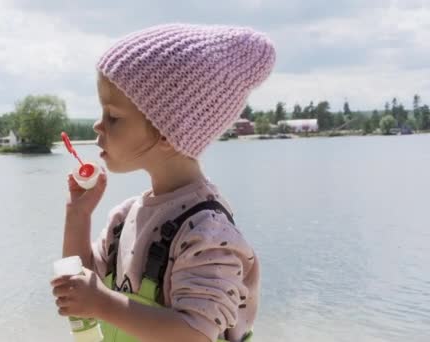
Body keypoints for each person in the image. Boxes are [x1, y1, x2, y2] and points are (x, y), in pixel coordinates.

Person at [51, 23, 275, 342]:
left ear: (167, 132)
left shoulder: (207, 232)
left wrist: (102, 303)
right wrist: (78, 216)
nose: (98, 125)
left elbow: (196, 333)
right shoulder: (124, 219)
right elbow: (85, 284)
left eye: (113, 116)